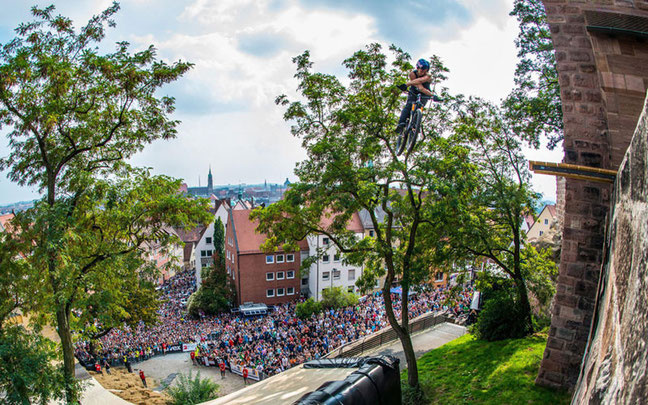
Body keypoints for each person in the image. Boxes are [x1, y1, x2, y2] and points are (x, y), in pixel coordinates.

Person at [396, 58, 442, 133]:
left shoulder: (428, 76)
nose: (423, 71)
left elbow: (420, 81)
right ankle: (401, 124)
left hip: (425, 93)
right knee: (409, 106)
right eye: (421, 69)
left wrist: (406, 84)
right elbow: (419, 86)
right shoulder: (412, 74)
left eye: (425, 70)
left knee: (420, 107)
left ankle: (416, 125)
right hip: (414, 91)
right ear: (417, 68)